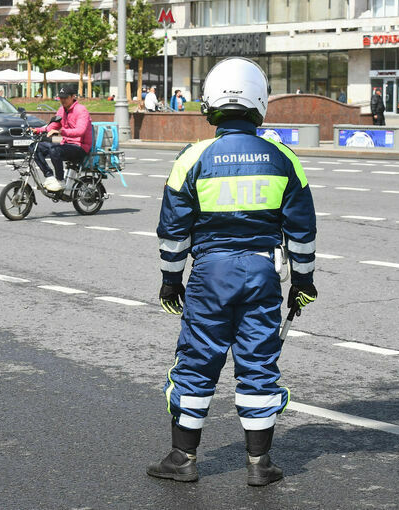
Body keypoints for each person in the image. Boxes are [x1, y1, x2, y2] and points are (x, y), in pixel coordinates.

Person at [147, 57, 317, 487]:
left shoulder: (193, 158)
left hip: (209, 274)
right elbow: (302, 229)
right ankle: (260, 466)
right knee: (259, 360)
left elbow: (173, 229)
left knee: (199, 358)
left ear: (210, 105)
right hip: (262, 273)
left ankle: (182, 458)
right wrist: (303, 283)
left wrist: (171, 280)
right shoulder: (283, 158)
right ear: (259, 104)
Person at [33, 86, 93, 191]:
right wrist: (37, 130)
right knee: (35, 146)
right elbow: (53, 127)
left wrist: (61, 132)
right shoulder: (62, 110)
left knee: (55, 149)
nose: (62, 100)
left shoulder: (81, 110)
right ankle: (49, 176)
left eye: (65, 98)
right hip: (66, 142)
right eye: (61, 98)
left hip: (80, 146)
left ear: (73, 97)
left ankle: (60, 181)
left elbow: (80, 131)